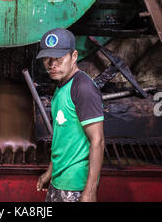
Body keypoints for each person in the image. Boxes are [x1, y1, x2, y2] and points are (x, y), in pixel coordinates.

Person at [36, 27, 105, 203]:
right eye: (47, 59)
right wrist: (50, 172)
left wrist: (89, 192)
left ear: (74, 56)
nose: (52, 64)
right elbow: (63, 137)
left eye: (58, 58)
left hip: (75, 185)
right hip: (59, 180)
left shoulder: (82, 87)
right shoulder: (61, 86)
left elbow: (98, 140)